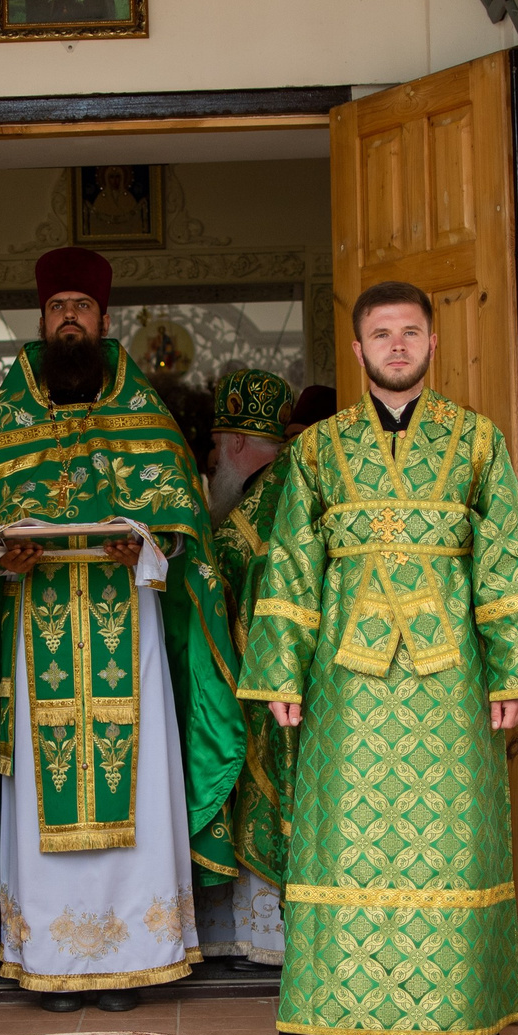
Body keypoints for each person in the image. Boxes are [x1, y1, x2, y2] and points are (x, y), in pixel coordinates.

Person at [240, 282, 518, 1035]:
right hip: (341, 687)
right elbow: (289, 561)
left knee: (452, 843)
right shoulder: (318, 449)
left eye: (410, 333)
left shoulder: (476, 441)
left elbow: (509, 560)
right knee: (340, 839)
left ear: (432, 343)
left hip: (452, 682)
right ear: (356, 350)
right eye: (380, 334)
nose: (396, 345)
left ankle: (464, 1026)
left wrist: (515, 673)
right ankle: (334, 1029)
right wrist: (281, 668)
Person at [0, 246, 244, 1012]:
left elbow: (184, 531)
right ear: (41, 322)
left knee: (136, 779)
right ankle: (52, 959)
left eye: (81, 306)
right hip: (34, 633)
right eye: (56, 307)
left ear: (105, 320)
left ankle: (137, 953)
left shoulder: (146, 416)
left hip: (127, 633)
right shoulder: (7, 421)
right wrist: (7, 553)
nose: (69, 317)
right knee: (44, 787)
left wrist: (148, 542)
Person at [197, 368, 296, 968]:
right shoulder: (298, 486)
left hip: (257, 691)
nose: (211, 464)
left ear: (235, 446)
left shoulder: (242, 519)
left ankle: (257, 938)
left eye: (213, 449)